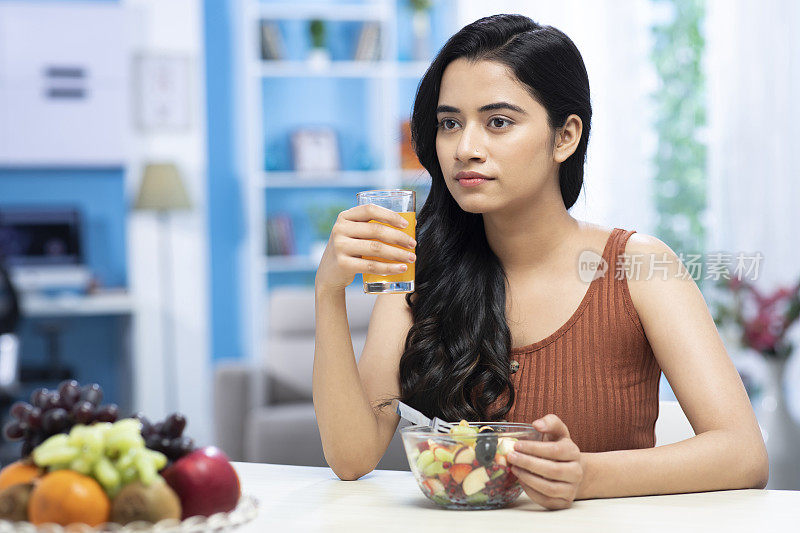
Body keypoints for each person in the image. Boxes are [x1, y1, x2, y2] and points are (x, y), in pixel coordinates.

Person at [312, 14, 768, 510]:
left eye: (498, 122)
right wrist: (328, 293)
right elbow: (352, 458)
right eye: (449, 123)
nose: (466, 148)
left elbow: (743, 455)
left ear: (565, 136)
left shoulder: (636, 265)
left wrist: (586, 475)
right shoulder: (421, 270)